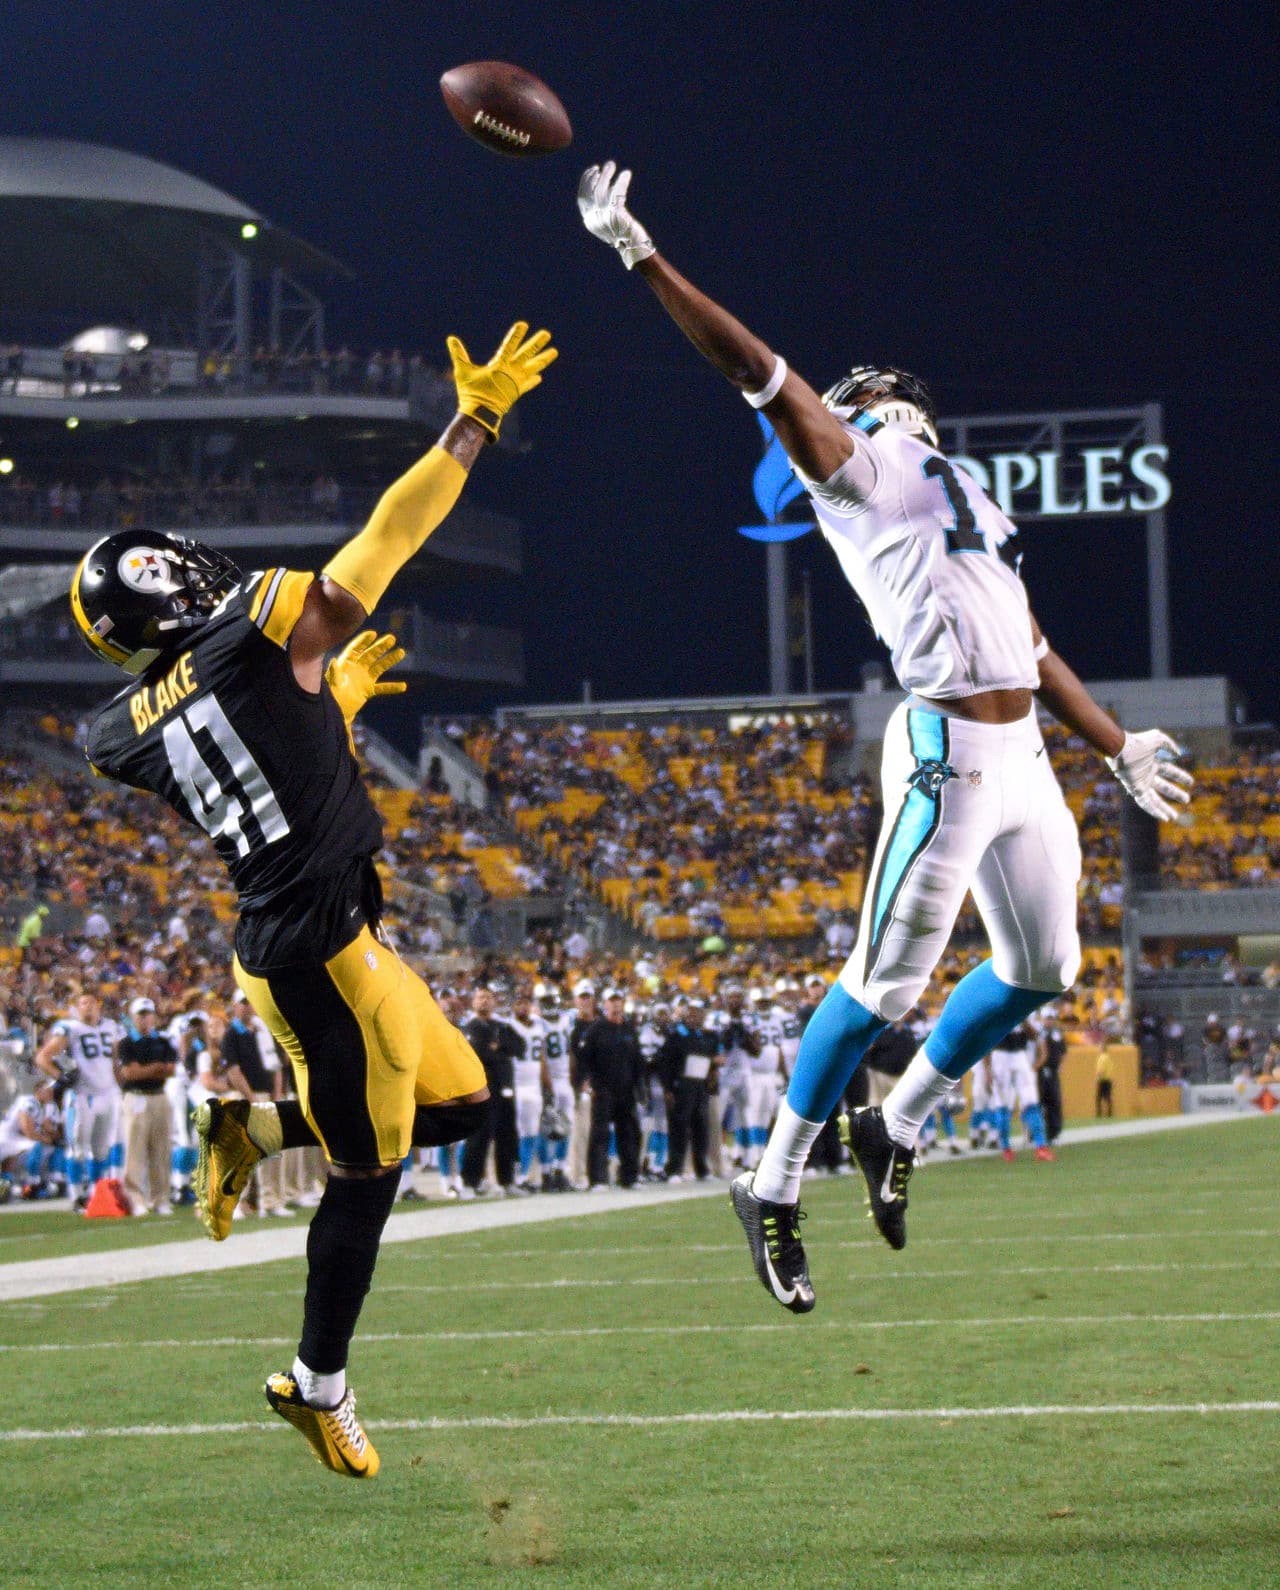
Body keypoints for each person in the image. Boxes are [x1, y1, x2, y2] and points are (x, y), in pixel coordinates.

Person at [577, 162, 1194, 1313]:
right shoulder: (858, 469)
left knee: (1043, 968)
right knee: (882, 984)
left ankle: (895, 1119)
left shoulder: (966, 490)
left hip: (1023, 755)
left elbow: (1029, 641)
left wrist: (1112, 745)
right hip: (944, 752)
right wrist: (640, 255)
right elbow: (753, 370)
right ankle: (768, 1184)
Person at [69, 319, 555, 1475]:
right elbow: (386, 539)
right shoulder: (251, 629)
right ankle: (314, 1380)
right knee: (366, 1176)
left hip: (308, 937)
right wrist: (473, 420)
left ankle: (250, 1130)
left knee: (463, 1106)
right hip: (319, 952)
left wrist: (326, 698)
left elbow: (248, 749)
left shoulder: (115, 730)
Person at [35, 990, 122, 1212]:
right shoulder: (69, 1028)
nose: (88, 1006)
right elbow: (43, 1057)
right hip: (83, 1095)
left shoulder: (111, 1026)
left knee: (101, 1149)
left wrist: (122, 1086)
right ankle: (76, 1197)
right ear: (76, 1008)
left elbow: (115, 1061)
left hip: (109, 1093)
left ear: (98, 1005)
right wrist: (60, 1076)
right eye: (83, 1003)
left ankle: (97, 1194)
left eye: (91, 1002)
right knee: (77, 1148)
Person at [114, 996, 177, 1214]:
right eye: (140, 1015)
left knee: (161, 1150)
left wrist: (146, 1070)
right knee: (135, 1150)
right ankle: (136, 1199)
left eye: (147, 1015)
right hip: (136, 1096)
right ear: (133, 1018)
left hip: (159, 1095)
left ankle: (160, 1199)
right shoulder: (126, 1043)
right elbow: (130, 1073)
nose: (144, 1019)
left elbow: (170, 1069)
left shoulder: (163, 1040)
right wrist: (156, 1068)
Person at [580, 987, 644, 1189]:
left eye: (618, 1000)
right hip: (603, 1089)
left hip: (626, 1090)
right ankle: (598, 1179)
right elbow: (584, 1059)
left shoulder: (629, 1029)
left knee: (629, 1133)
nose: (616, 1004)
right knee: (600, 1133)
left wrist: (640, 1087)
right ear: (605, 1004)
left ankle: (629, 1177)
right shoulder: (597, 1029)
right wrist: (587, 1081)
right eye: (612, 1001)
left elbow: (637, 1060)